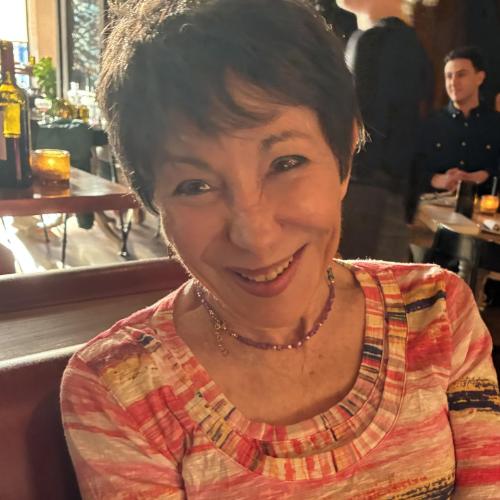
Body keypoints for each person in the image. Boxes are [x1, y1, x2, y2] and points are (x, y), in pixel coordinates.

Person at [60, 0, 500, 498]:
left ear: (344, 154)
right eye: (195, 186)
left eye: (285, 162)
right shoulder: (118, 390)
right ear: (152, 201)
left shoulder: (439, 313)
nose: (255, 235)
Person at [336, 0, 433, 261]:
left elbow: (355, 129)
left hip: (363, 193)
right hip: (387, 196)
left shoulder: (373, 42)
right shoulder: (413, 47)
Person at [419, 46, 500, 195]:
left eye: (461, 75)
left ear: (480, 78)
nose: (453, 82)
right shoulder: (429, 124)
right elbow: (409, 171)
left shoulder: (496, 124)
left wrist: (483, 176)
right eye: (449, 76)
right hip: (434, 206)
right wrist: (435, 179)